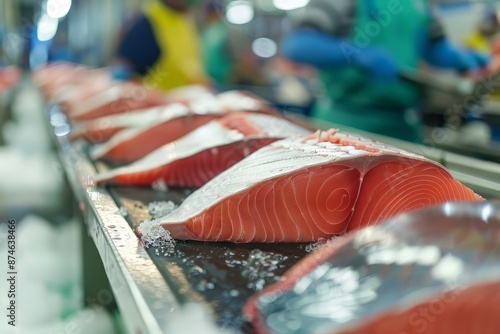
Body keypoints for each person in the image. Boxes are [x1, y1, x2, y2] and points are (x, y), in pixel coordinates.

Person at [282, 0, 490, 142]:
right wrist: (356, 53)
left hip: (403, 129)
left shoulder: (419, 4)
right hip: (344, 126)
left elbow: (434, 47)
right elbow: (298, 44)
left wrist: (461, 58)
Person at [112, 0, 208, 91]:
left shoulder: (185, 20)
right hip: (155, 105)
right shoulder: (146, 24)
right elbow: (121, 73)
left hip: (185, 102)